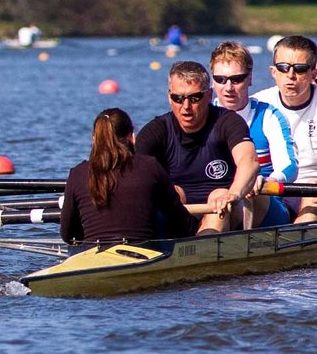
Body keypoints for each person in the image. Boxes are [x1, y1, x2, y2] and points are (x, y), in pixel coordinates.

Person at [134, 61, 256, 233]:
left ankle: (202, 249)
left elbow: (249, 161)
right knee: (175, 193)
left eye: (194, 98)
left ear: (208, 95)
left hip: (225, 210)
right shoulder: (155, 131)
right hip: (177, 213)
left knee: (218, 195)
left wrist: (234, 194)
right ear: (169, 97)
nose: (186, 107)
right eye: (178, 98)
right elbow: (131, 175)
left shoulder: (228, 122)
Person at [61, 107, 194, 244]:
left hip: (91, 254)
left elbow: (67, 235)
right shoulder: (150, 167)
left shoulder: (77, 174)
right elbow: (183, 225)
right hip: (144, 255)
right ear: (132, 137)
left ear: (94, 140)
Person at [246, 34, 317, 225]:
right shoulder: (258, 104)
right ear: (273, 71)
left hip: (312, 190)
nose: (291, 76)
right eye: (283, 68)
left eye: (300, 69)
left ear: (314, 73)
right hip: (271, 188)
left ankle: (299, 244)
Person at [209, 41, 256, 115]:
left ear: (250, 79)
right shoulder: (201, 117)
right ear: (212, 81)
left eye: (236, 79)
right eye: (220, 79)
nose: (229, 88)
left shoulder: (268, 117)